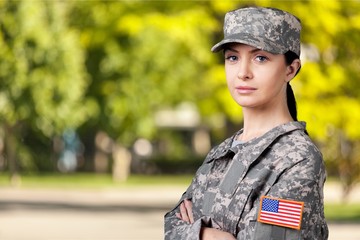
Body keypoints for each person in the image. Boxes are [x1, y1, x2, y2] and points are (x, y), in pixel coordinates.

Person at [164, 6, 328, 240]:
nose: (243, 72)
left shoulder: (297, 159)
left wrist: (194, 232)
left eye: (260, 58)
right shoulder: (221, 153)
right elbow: (171, 226)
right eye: (233, 57)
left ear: (290, 69)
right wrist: (211, 236)